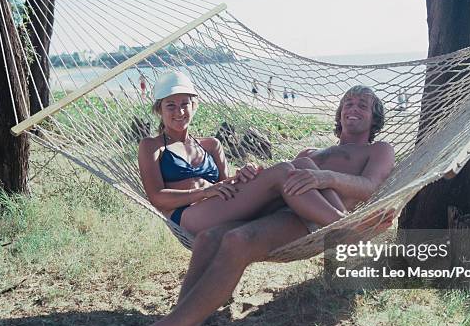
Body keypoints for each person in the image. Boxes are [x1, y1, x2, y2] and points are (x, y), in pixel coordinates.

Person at [83, 84, 396, 326]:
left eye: (363, 105)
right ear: (339, 114)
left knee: (238, 240)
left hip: (314, 224)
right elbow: (277, 187)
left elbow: (369, 186)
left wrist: (323, 176)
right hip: (276, 210)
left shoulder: (378, 149)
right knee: (208, 238)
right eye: (349, 104)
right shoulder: (311, 151)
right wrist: (252, 177)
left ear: (374, 118)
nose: (353, 108)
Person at [136, 71, 355, 236]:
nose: (180, 111)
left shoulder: (211, 145)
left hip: (221, 210)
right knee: (283, 172)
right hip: (188, 215)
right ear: (159, 109)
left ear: (195, 106)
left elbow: (226, 188)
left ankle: (344, 217)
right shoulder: (152, 146)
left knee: (304, 164)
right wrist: (205, 192)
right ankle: (347, 227)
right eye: (171, 106)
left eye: (185, 104)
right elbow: (156, 198)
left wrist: (242, 176)